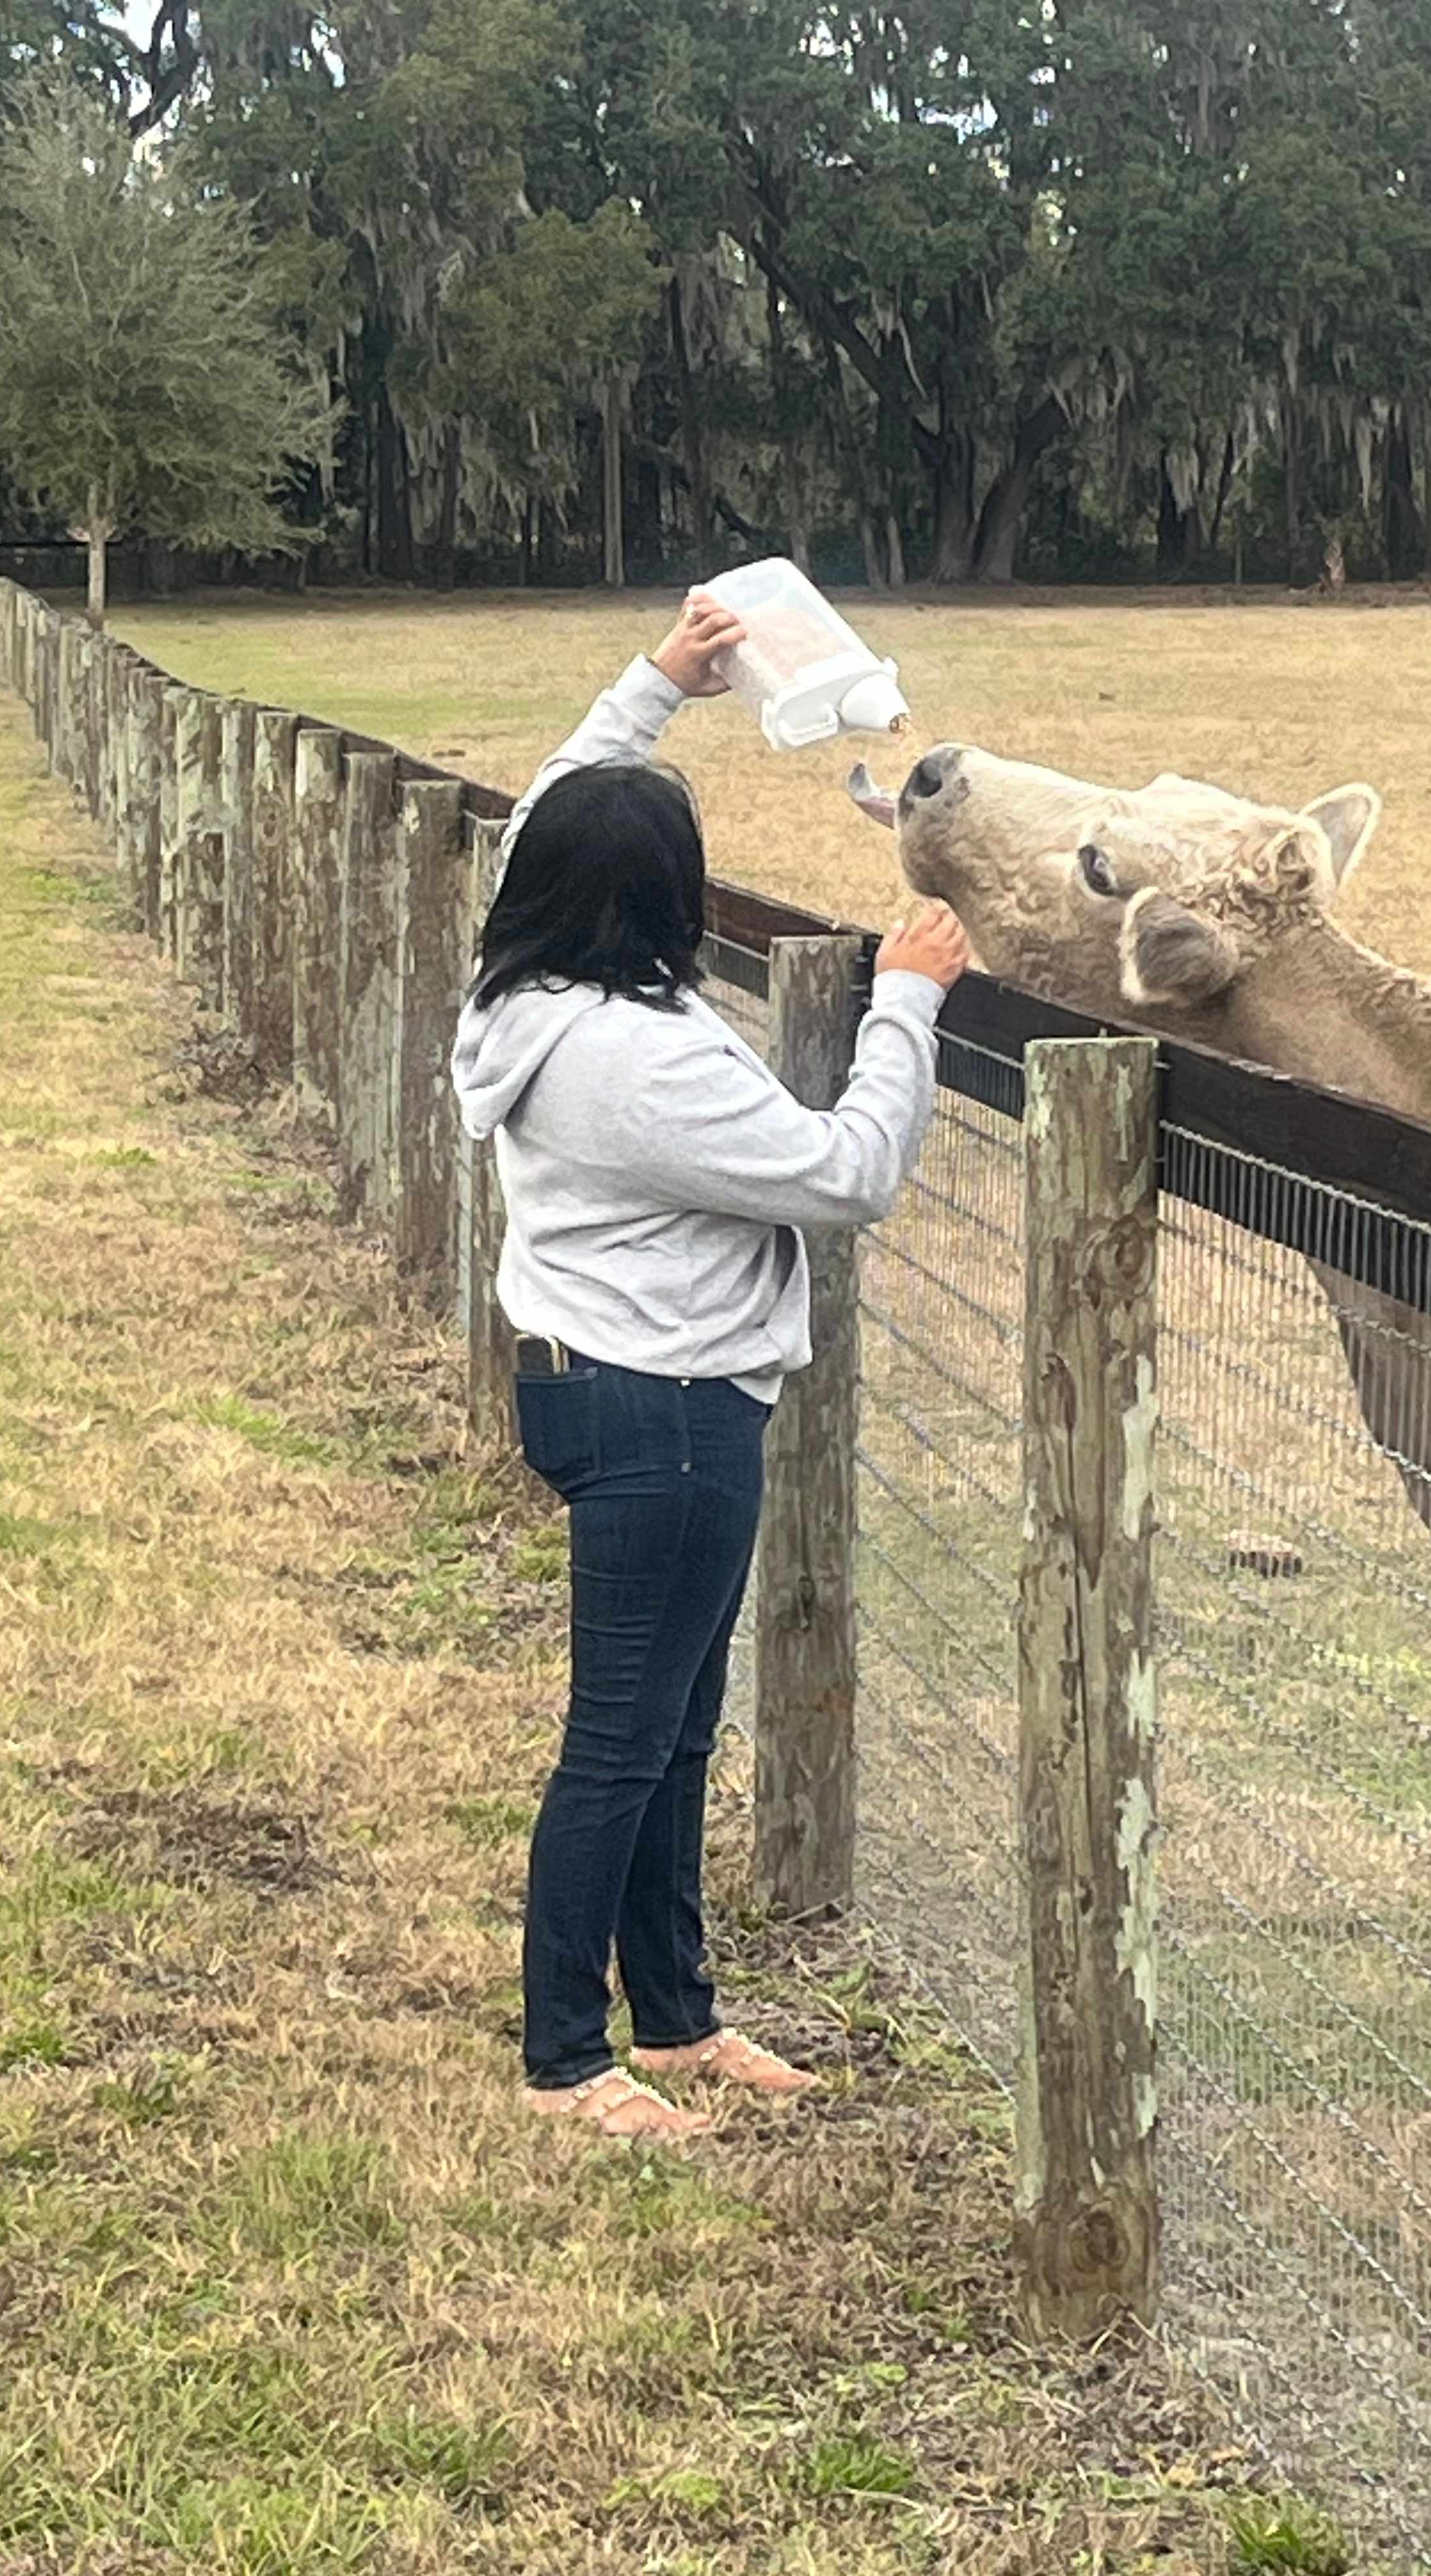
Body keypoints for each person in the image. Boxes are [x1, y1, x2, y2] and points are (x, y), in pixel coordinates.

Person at [451, 593, 971, 2145]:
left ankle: (674, 2019)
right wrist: (908, 1002)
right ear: (666, 904)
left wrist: (659, 685)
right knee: (621, 1741)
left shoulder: (527, 982)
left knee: (674, 1725)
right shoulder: (642, 1059)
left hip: (599, 1378)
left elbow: (551, 806)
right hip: (666, 1413)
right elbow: (847, 1173)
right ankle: (566, 2057)